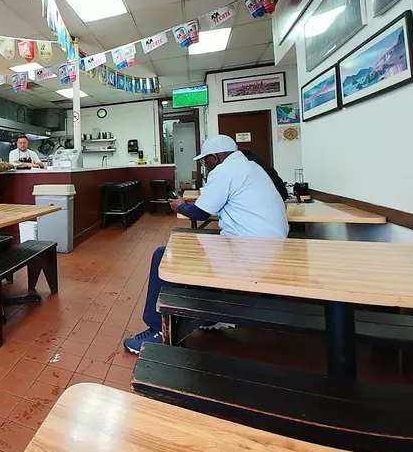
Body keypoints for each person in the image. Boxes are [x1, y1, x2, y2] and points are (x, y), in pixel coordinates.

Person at [123, 134, 289, 353]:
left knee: (163, 255)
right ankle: (209, 316)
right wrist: (194, 204)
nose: (205, 165)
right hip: (272, 247)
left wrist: (180, 207)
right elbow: (224, 202)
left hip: (250, 251)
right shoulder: (251, 168)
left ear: (217, 158)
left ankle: (158, 330)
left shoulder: (223, 171)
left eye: (205, 160)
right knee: (198, 246)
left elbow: (199, 213)